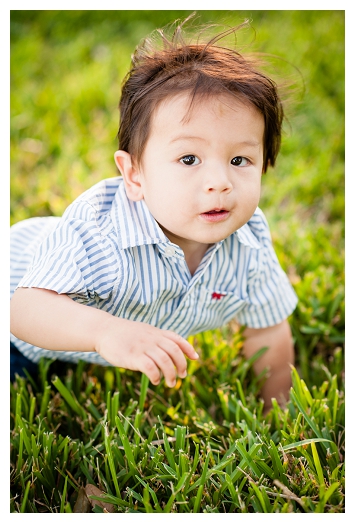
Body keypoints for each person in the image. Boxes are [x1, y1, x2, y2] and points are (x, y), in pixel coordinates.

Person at [9, 18, 298, 407]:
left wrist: (278, 407)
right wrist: (105, 332)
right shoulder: (100, 230)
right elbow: (25, 309)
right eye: (189, 158)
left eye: (240, 159)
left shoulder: (251, 241)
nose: (219, 181)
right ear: (134, 174)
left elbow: (268, 330)